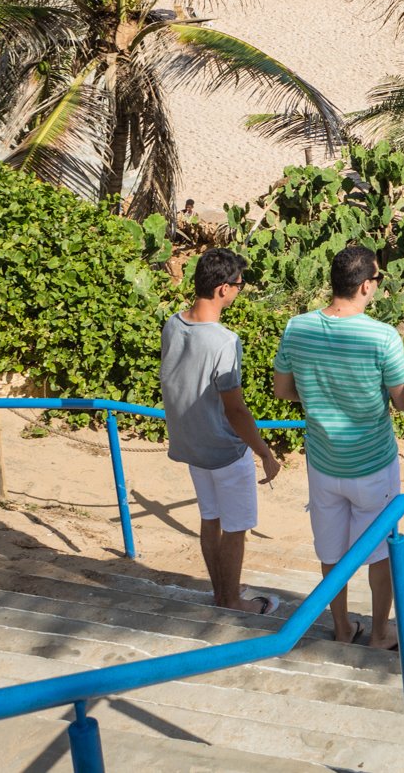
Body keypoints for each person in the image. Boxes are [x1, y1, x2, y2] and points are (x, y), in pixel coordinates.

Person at [272, 246, 404, 649]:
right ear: (366, 285)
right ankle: (379, 634)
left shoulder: (297, 328)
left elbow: (283, 390)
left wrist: (321, 397)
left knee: (331, 551)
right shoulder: (382, 337)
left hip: (322, 462)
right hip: (373, 464)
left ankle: (341, 628)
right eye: (378, 279)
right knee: (379, 553)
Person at [161, 248, 281, 615]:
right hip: (225, 450)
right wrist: (264, 451)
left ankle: (221, 591)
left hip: (191, 444)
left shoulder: (172, 324)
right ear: (223, 289)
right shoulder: (224, 340)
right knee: (235, 528)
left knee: (210, 519)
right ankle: (231, 600)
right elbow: (235, 409)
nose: (240, 290)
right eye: (240, 284)